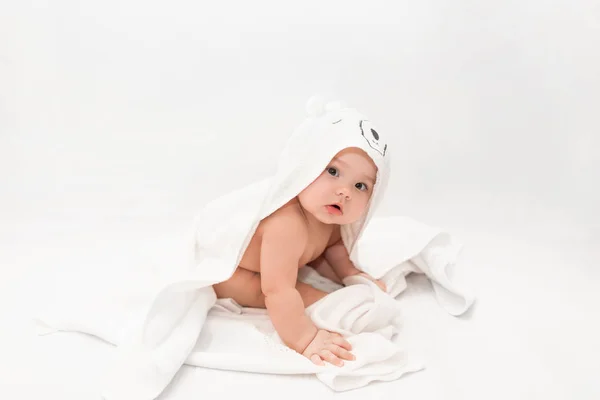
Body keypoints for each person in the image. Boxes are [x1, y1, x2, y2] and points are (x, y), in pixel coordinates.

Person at [213, 146, 386, 368]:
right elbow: (277, 291)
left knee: (306, 268)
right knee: (279, 289)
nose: (345, 191)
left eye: (360, 186)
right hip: (231, 271)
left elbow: (333, 248)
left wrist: (350, 273)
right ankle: (309, 297)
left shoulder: (328, 216)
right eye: (333, 171)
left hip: (275, 265)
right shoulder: (286, 225)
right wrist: (305, 339)